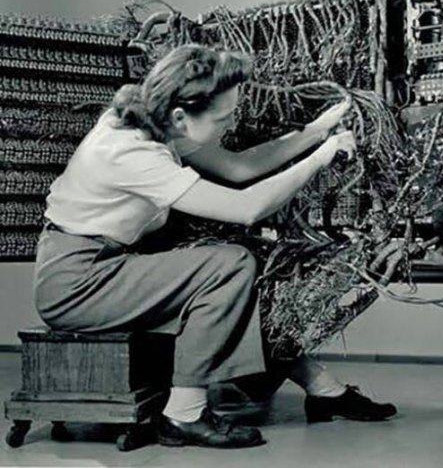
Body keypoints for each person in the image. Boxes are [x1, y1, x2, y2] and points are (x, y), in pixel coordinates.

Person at [33, 44, 395, 450]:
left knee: (245, 265)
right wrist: (322, 157)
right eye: (223, 117)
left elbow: (240, 168)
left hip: (106, 264)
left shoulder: (156, 121)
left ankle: (321, 387)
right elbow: (247, 208)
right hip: (76, 282)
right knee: (231, 265)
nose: (230, 124)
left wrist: (315, 131)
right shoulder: (129, 152)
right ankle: (183, 414)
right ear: (181, 116)